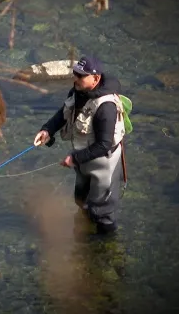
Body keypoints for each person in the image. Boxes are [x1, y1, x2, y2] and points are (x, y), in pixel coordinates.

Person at [33, 56, 126, 236]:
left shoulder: (106, 107)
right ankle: (83, 227)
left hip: (104, 162)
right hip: (83, 157)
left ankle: (105, 246)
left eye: (80, 75)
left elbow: (104, 145)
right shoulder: (78, 91)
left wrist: (74, 158)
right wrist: (47, 130)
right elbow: (63, 113)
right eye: (75, 73)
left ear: (96, 78)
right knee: (81, 199)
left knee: (102, 211)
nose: (75, 78)